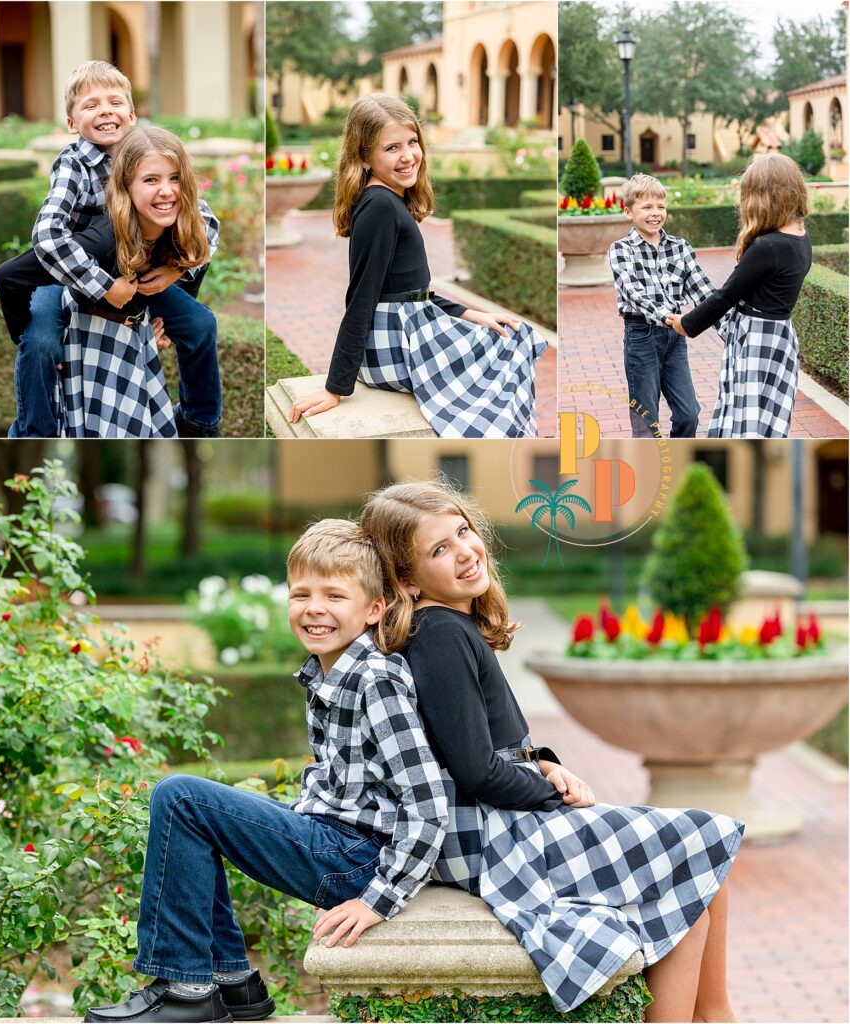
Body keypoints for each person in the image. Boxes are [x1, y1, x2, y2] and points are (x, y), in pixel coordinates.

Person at [361, 481, 744, 1023]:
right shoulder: (440, 635)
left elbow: (481, 735)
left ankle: (714, 1014)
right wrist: (549, 791)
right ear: (406, 580)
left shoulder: (452, 625)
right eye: (438, 550)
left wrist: (542, 759)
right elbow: (476, 770)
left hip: (500, 816)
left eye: (463, 532)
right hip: (495, 834)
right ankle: (717, 1014)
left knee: (697, 890)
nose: (465, 551)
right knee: (703, 839)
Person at [84, 520, 448, 1023]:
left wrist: (378, 901)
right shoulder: (329, 672)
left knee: (181, 798)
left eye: (334, 595)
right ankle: (232, 983)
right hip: (335, 842)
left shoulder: (375, 679)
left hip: (358, 859)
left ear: (373, 609)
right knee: (196, 817)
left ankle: (185, 990)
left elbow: (427, 805)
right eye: (301, 593)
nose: (314, 608)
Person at [288, 93, 547, 438]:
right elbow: (362, 298)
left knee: (508, 335)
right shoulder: (380, 207)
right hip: (395, 347)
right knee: (517, 345)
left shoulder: (387, 200)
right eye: (391, 148)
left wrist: (474, 315)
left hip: (405, 331)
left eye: (412, 142)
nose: (408, 156)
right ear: (364, 157)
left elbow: (411, 294)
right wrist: (335, 387)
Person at [0, 60, 222, 438]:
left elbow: (206, 224)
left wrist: (177, 273)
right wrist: (101, 286)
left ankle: (199, 419)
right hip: (68, 271)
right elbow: (48, 236)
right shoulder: (73, 164)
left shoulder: (147, 155)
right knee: (41, 344)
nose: (105, 111)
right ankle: (35, 431)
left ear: (131, 115)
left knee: (200, 324)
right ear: (71, 123)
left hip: (130, 269)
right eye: (90, 105)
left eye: (114, 102)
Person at [666, 154, 813, 438]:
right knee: (768, 417)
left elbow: (725, 296)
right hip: (781, 336)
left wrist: (686, 323)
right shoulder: (801, 238)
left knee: (747, 419)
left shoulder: (766, 246)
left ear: (762, 197)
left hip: (756, 337)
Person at [607, 174, 728, 439]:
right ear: (628, 211)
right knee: (646, 420)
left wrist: (728, 328)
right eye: (647, 207)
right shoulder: (620, 250)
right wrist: (667, 317)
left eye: (661, 206)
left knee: (689, 414)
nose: (655, 213)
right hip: (641, 336)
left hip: (676, 338)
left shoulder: (680, 247)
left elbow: (704, 290)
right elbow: (633, 292)